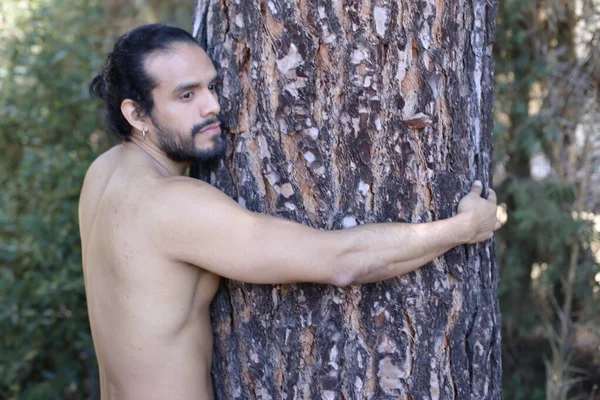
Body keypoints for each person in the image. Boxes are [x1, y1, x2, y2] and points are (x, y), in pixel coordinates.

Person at [79, 24, 501, 400]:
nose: (212, 106)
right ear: (136, 114)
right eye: (186, 95)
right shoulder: (172, 204)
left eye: (212, 86)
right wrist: (464, 227)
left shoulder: (104, 174)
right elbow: (342, 262)